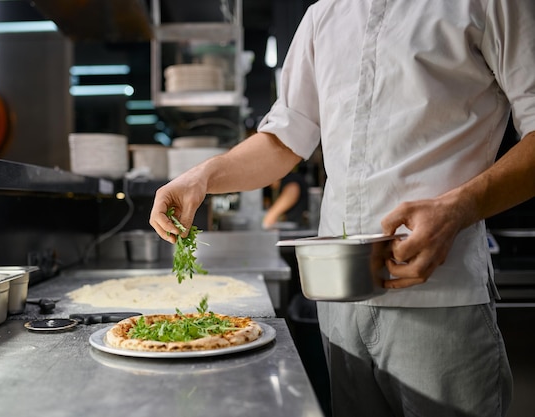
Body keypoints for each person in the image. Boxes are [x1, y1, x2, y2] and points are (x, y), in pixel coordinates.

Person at [150, 1, 535, 416]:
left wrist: (460, 207)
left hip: (440, 296)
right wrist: (203, 176)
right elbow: (285, 139)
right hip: (339, 303)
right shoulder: (323, 15)